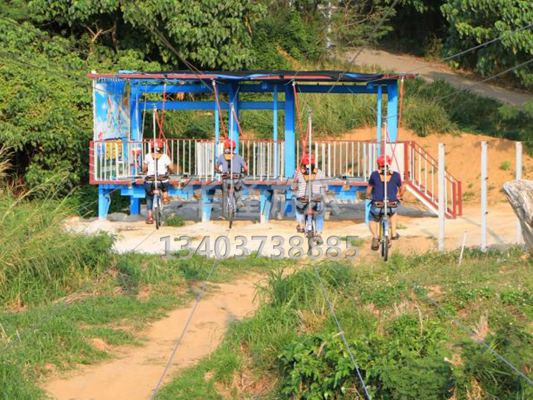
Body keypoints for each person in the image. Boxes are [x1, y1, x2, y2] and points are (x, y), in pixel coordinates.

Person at [366, 154, 405, 250]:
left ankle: (375, 237)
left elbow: (369, 190)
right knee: (393, 213)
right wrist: (400, 196)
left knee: (372, 218)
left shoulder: (374, 174)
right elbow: (402, 188)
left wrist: (368, 196)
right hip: (392, 204)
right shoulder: (396, 175)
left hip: (377, 204)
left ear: (378, 164)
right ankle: (394, 233)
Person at [292, 153, 327, 243]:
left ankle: (301, 224)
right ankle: (318, 232)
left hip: (303, 198)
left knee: (298, 207)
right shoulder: (320, 172)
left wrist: (295, 187)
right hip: (317, 199)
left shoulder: (298, 173)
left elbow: (293, 186)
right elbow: (325, 187)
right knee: (319, 214)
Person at [142, 138, 175, 224]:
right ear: (161, 147)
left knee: (149, 197)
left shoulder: (147, 156)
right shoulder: (165, 156)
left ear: (151, 147)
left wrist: (145, 170)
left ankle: (150, 217)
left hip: (150, 181)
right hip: (162, 181)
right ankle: (165, 195)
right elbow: (171, 168)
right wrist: (171, 171)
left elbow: (144, 169)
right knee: (165, 185)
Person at [216, 138, 248, 208]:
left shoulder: (221, 156)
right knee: (239, 188)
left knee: (224, 188)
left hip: (225, 178)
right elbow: (246, 168)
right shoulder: (239, 157)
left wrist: (219, 171)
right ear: (234, 148)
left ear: (225, 147)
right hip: (236, 178)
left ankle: (225, 201)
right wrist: (244, 173)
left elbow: (216, 167)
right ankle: (239, 201)